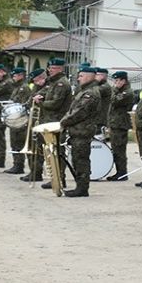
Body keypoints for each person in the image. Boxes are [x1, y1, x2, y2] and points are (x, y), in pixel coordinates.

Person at [58, 65, 102, 197]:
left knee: (81, 160)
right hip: (78, 131)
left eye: (81, 76)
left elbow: (79, 112)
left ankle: (82, 188)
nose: (78, 78)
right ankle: (80, 186)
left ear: (89, 76)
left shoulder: (91, 93)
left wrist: (63, 122)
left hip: (83, 131)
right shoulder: (84, 91)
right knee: (77, 159)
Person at [34, 58, 73, 191]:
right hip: (50, 121)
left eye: (54, 68)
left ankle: (59, 179)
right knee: (51, 151)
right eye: (50, 68)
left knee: (57, 151)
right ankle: (54, 179)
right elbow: (43, 94)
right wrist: (39, 97)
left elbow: (56, 103)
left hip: (57, 122)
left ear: (61, 69)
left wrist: (41, 103)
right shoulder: (53, 82)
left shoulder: (61, 83)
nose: (50, 70)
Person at [106, 71, 134, 181]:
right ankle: (119, 171)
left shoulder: (127, 92)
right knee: (116, 149)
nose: (115, 83)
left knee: (119, 150)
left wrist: (115, 89)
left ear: (124, 81)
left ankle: (122, 173)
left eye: (118, 81)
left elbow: (113, 100)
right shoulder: (119, 91)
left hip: (121, 124)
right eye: (115, 81)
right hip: (115, 123)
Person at [3, 67, 32, 175]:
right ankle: (17, 165)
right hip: (15, 118)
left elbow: (22, 105)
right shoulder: (17, 87)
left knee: (19, 142)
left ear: (21, 75)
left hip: (20, 120)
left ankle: (19, 165)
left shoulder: (23, 88)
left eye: (15, 76)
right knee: (14, 143)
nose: (13, 78)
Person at [21, 68, 47, 183]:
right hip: (34, 120)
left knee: (39, 148)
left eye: (37, 80)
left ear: (42, 77)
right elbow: (30, 100)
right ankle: (33, 171)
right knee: (31, 147)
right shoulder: (36, 87)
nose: (35, 82)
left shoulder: (49, 87)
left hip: (44, 121)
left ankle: (37, 173)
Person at [95, 67, 112, 132]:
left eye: (97, 75)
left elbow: (93, 91)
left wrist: (95, 81)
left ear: (102, 76)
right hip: (97, 117)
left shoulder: (105, 87)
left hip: (100, 118)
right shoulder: (99, 85)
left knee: (97, 138)